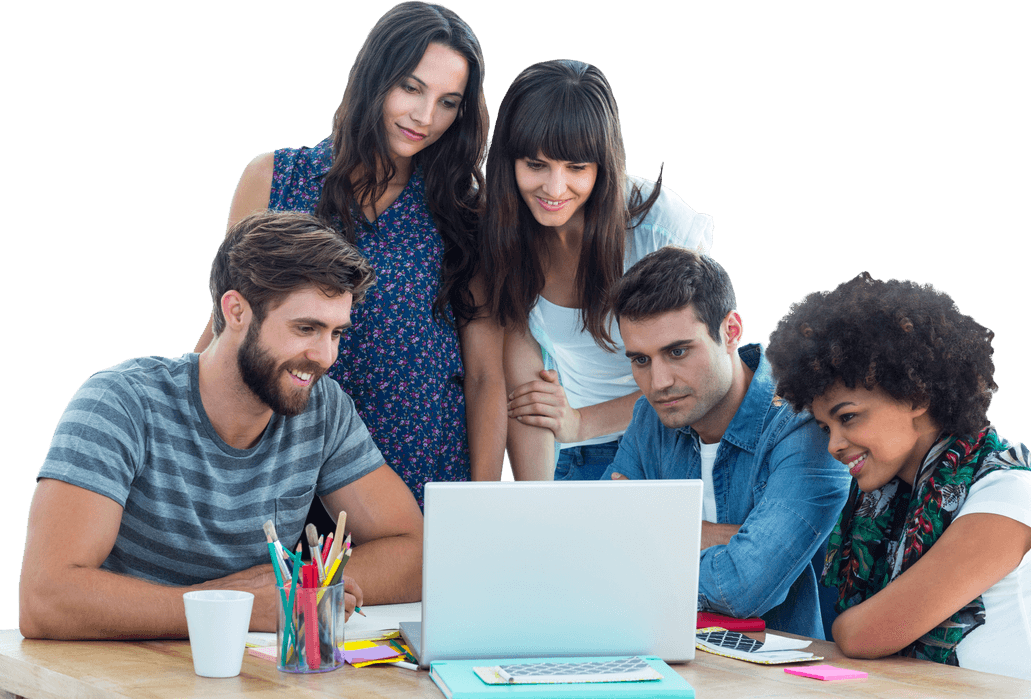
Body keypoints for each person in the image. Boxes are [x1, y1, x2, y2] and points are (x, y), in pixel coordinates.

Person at [18, 211, 424, 640]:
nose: (325, 356)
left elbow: (414, 553)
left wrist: (289, 584)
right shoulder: (121, 404)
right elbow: (46, 598)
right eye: (306, 328)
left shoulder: (323, 409)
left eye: (336, 333)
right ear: (236, 311)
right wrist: (232, 603)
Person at [192, 2, 502, 511]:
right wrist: (175, 424)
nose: (426, 118)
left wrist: (483, 509)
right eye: (411, 88)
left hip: (421, 471)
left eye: (449, 102)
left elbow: (486, 374)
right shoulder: (273, 179)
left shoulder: (464, 208)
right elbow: (227, 326)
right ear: (374, 77)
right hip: (283, 465)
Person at [765, 272, 1031, 687]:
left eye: (847, 418)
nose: (834, 445)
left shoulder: (1008, 496)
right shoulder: (888, 504)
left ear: (916, 397)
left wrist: (846, 626)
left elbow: (862, 634)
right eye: (826, 428)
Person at [478, 59, 713, 480]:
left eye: (576, 168)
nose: (554, 189)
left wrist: (582, 421)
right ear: (509, 161)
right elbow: (530, 398)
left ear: (602, 165)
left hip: (681, 441)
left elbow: (700, 373)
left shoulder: (658, 228)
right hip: (585, 454)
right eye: (535, 165)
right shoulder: (502, 239)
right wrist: (538, 510)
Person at [600, 247, 850, 638]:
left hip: (780, 678)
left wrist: (652, 539)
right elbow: (597, 550)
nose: (659, 382)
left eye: (677, 351)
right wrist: (721, 535)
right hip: (664, 654)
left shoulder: (804, 424)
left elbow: (743, 590)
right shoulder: (652, 416)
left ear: (730, 332)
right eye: (641, 360)